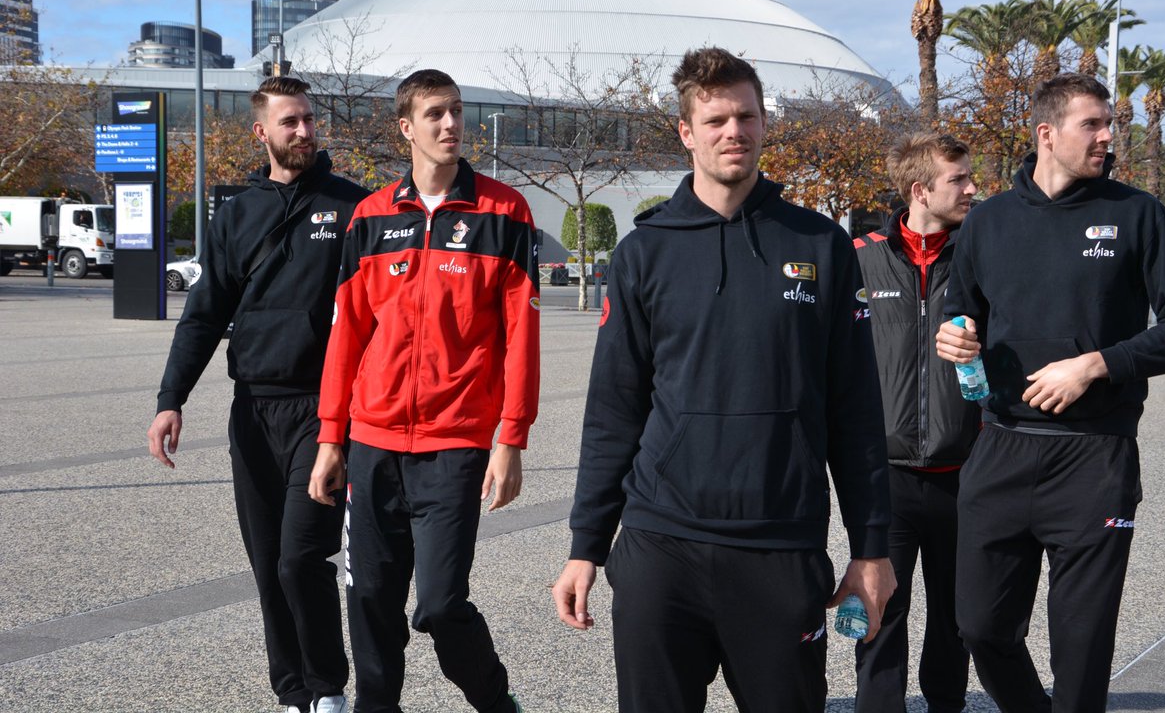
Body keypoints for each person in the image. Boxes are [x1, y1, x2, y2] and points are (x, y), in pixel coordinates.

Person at [551, 46, 896, 713]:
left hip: (779, 549)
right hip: (661, 547)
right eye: (714, 121)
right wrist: (585, 546)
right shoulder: (643, 253)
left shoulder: (819, 245)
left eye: (745, 116)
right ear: (686, 132)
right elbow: (614, 412)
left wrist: (871, 549)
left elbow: (856, 412)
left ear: (765, 123)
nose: (732, 132)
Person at [935, 73, 1165, 712]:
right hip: (1000, 450)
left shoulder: (1138, 214)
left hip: (1095, 457)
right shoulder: (988, 220)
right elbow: (959, 312)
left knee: (1081, 649)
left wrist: (1096, 365)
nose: (1109, 136)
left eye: (1110, 124)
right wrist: (955, 338)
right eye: (1093, 124)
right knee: (981, 626)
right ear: (1046, 133)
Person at [308, 68, 539, 713]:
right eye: (436, 113)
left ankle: (495, 701)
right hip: (373, 443)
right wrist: (332, 440)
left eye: (457, 112)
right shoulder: (371, 216)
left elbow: (522, 338)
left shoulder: (504, 212)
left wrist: (510, 438)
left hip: (456, 445)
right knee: (371, 602)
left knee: (439, 604)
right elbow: (346, 336)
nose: (451, 125)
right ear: (407, 127)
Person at [147, 76, 369, 713]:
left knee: (303, 556)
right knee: (269, 563)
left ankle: (329, 687)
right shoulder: (236, 215)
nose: (303, 132)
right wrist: (171, 399)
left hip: (323, 411)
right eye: (290, 122)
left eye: (308, 120)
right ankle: (295, 693)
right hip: (253, 411)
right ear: (261, 132)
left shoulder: (353, 206)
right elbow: (204, 314)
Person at [853, 133, 980, 713]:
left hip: (967, 471)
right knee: (877, 607)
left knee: (957, 614)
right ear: (920, 189)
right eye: (959, 179)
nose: (972, 188)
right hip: (885, 476)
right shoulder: (860, 256)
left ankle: (946, 704)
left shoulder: (981, 256)